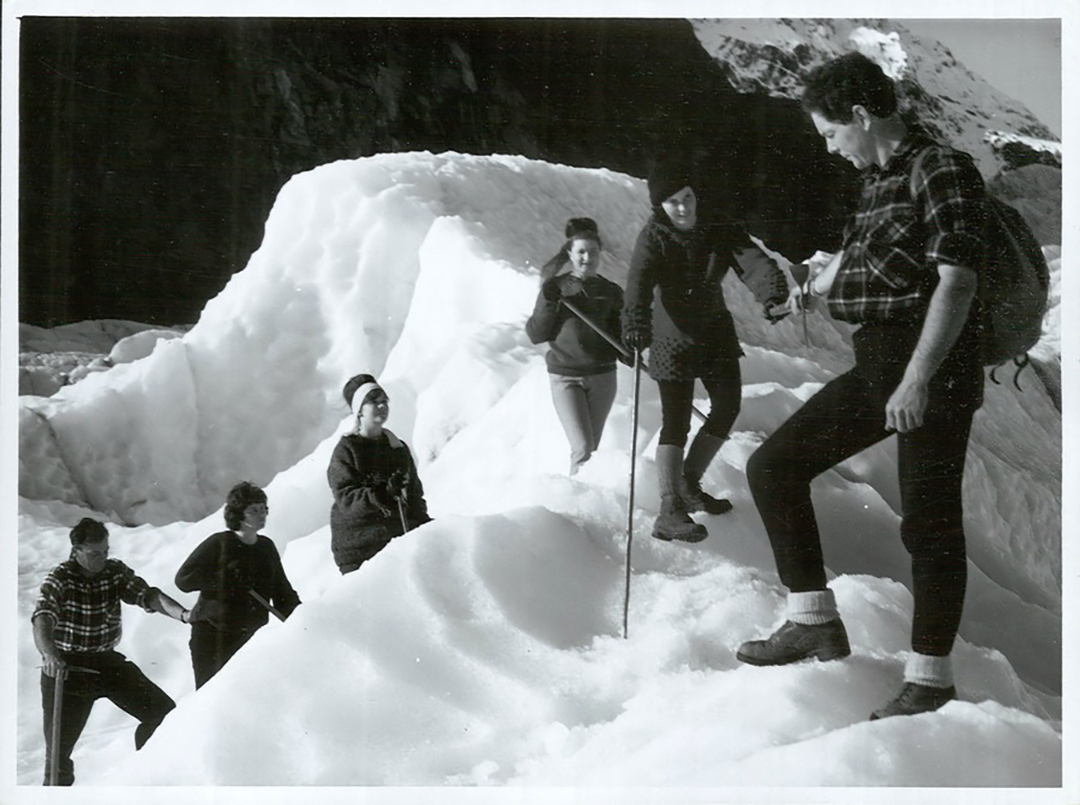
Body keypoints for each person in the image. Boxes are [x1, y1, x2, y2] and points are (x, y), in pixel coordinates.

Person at [737, 52, 988, 721]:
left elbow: (956, 279)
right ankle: (813, 619)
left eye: (830, 133)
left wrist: (917, 380)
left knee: (930, 526)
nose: (831, 148)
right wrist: (809, 288)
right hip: (881, 366)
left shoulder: (941, 167)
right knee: (773, 466)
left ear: (859, 114)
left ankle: (930, 679)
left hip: (933, 373)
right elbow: (865, 265)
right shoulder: (878, 182)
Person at [621, 156, 790, 543]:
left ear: (696, 195)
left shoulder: (718, 227)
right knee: (676, 420)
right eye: (672, 202)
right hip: (671, 337)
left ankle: (689, 483)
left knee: (727, 405)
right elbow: (638, 284)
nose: (682, 208)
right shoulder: (653, 237)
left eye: (687, 198)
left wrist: (774, 293)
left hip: (714, 331)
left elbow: (753, 262)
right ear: (659, 206)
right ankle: (669, 508)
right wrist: (634, 325)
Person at [32, 517, 189, 785]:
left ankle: (149, 780)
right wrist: (50, 655)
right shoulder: (60, 578)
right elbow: (43, 617)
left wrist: (184, 615)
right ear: (76, 551)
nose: (102, 558)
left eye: (105, 551)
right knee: (58, 755)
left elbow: (147, 596)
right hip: (67, 669)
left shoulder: (114, 572)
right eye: (94, 554)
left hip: (107, 664)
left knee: (164, 715)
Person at [175, 481, 301, 689]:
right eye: (254, 510)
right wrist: (224, 580)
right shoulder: (219, 543)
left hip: (250, 636)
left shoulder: (266, 547)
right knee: (212, 698)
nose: (262, 515)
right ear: (238, 514)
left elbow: (282, 592)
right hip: (212, 636)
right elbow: (184, 580)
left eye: (264, 509)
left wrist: (302, 621)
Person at [526, 217, 626, 475]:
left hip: (603, 377)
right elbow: (536, 334)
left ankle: (588, 499)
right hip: (565, 377)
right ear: (570, 253)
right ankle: (579, 507)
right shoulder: (555, 288)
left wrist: (631, 347)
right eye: (581, 251)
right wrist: (549, 302)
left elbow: (621, 336)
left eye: (593, 252)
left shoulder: (611, 291)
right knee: (582, 447)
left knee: (591, 451)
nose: (587, 258)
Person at [327, 374, 432, 574]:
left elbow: (414, 495)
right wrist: (382, 494)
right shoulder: (346, 450)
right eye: (374, 402)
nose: (382, 406)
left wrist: (425, 528)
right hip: (359, 547)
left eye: (385, 401)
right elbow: (346, 499)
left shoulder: (397, 448)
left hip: (395, 538)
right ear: (359, 410)